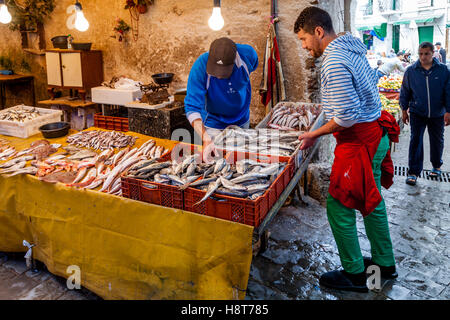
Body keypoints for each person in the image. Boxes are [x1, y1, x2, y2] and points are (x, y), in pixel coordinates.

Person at [294, 6, 400, 293]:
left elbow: (345, 118)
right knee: (372, 200)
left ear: (318, 32)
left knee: (339, 206)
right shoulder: (351, 47)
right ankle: (384, 264)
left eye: (304, 39)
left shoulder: (333, 61)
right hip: (376, 133)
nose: (304, 47)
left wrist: (312, 135)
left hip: (359, 141)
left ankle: (354, 273)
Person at [184, 37, 258, 161]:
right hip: (213, 121)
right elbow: (192, 107)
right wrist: (206, 139)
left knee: (240, 160)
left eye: (223, 72)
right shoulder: (200, 66)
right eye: (215, 71)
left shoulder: (248, 55)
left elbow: (253, 66)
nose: (218, 75)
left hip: (242, 118)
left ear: (235, 60)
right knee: (215, 161)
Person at [400, 42, 450, 185]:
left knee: (437, 140)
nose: (423, 57)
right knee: (415, 140)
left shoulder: (443, 71)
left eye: (426, 53)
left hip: (437, 113)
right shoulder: (411, 71)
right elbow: (405, 92)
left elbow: (448, 92)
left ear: (433, 53)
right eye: (421, 54)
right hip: (417, 112)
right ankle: (413, 172)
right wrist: (404, 110)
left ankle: (436, 165)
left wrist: (448, 111)